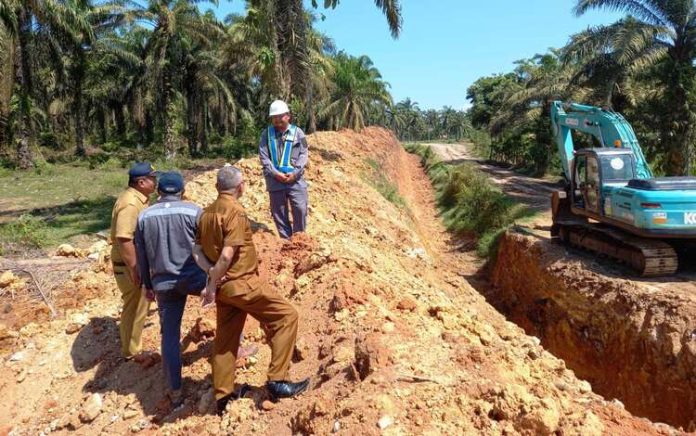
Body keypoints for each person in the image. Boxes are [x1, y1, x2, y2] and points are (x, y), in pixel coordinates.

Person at [193, 165, 309, 415]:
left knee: (225, 341)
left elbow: (197, 253)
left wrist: (212, 278)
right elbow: (227, 254)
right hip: (242, 283)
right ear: (240, 187)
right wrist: (214, 281)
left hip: (225, 289)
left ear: (216, 187)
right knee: (286, 316)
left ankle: (223, 396)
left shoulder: (205, 214)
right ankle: (278, 380)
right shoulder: (235, 212)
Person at [134, 171, 207, 408]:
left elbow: (142, 256)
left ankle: (175, 389)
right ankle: (235, 351)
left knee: (170, 335)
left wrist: (147, 283)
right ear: (182, 191)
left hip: (163, 283)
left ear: (158, 192)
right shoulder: (193, 211)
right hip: (195, 278)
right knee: (229, 306)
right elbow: (208, 245)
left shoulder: (144, 216)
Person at [110, 162, 157, 359]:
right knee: (135, 305)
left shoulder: (139, 198)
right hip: (129, 263)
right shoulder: (130, 204)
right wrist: (135, 268)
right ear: (141, 182)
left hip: (134, 260)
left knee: (139, 304)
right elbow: (124, 238)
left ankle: (132, 344)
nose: (155, 182)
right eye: (152, 179)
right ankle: (131, 351)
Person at [258, 100, 309, 239]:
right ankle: (286, 240)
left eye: (280, 116)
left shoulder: (299, 133)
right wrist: (276, 174)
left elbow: (304, 153)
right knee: (278, 212)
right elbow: (264, 157)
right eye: (274, 117)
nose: (277, 120)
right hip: (275, 180)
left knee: (300, 208)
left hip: (295, 180)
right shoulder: (265, 135)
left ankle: (299, 238)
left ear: (288, 116)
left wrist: (295, 173)